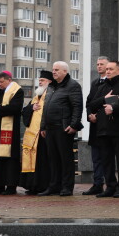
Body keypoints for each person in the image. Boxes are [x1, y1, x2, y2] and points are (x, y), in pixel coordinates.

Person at [86, 60, 119, 198]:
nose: (107, 71)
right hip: (103, 130)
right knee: (106, 161)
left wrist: (114, 108)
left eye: (111, 69)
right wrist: (104, 99)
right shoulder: (102, 87)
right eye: (107, 69)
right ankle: (110, 187)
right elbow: (92, 104)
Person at [39, 61, 83, 196]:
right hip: (50, 128)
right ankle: (54, 186)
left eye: (57, 70)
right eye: (53, 69)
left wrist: (74, 125)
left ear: (65, 71)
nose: (53, 72)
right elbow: (45, 107)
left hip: (63, 128)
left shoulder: (73, 85)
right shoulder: (51, 86)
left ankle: (66, 187)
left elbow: (77, 106)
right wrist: (43, 126)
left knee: (65, 159)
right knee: (53, 159)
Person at [20, 70, 53, 195]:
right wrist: (31, 107)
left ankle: (43, 186)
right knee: (33, 160)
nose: (40, 82)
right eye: (39, 80)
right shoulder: (36, 97)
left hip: (43, 134)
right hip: (32, 136)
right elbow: (25, 111)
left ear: (49, 82)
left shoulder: (51, 95)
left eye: (42, 80)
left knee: (42, 161)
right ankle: (32, 186)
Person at [82, 57, 111, 195]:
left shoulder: (111, 83)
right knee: (96, 158)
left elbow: (109, 103)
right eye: (98, 64)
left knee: (106, 157)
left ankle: (109, 184)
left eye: (102, 64)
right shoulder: (95, 83)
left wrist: (97, 116)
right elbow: (89, 102)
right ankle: (97, 183)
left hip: (106, 125)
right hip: (94, 126)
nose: (99, 66)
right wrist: (90, 115)